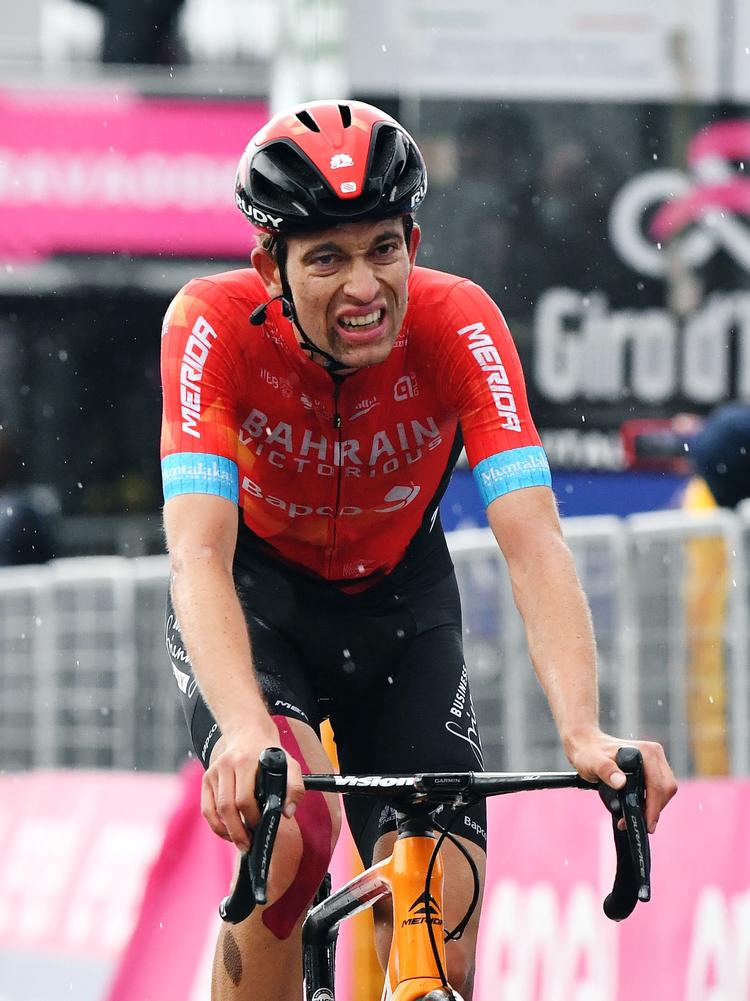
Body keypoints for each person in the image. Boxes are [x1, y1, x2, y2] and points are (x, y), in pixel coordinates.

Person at [160, 99, 677, 1000]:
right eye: (327, 258)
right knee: (291, 844)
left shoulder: (458, 322)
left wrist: (584, 728)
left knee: (441, 913)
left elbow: (534, 542)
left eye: (383, 249)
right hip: (258, 606)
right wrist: (243, 728)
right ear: (269, 266)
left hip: (400, 613)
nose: (365, 287)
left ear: (414, 242)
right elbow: (198, 554)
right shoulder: (211, 323)